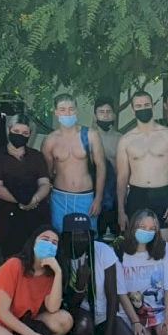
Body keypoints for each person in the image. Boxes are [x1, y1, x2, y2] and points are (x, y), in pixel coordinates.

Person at [59, 213, 144, 335]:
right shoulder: (61, 258)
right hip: (81, 313)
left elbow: (112, 297)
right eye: (75, 235)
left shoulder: (102, 251)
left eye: (85, 235)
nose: (81, 240)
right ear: (66, 237)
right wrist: (80, 286)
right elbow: (70, 306)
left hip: (105, 313)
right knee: (83, 328)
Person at [117, 91, 168, 244]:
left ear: (153, 106)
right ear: (133, 110)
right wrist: (121, 210)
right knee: (136, 248)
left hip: (162, 195)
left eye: (146, 105)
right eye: (139, 106)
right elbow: (122, 178)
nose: (143, 108)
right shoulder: (126, 140)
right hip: (136, 196)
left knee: (166, 248)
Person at [116, 209, 168, 335]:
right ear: (133, 227)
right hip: (133, 312)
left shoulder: (163, 248)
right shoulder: (120, 251)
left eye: (152, 229)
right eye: (142, 227)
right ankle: (150, 334)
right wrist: (135, 322)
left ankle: (156, 332)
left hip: (161, 310)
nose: (147, 232)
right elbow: (121, 292)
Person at [43, 93, 106, 233]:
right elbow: (46, 174)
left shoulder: (91, 135)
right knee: (60, 237)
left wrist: (98, 198)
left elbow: (101, 167)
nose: (67, 113)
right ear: (56, 112)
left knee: (87, 238)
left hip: (86, 197)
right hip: (59, 197)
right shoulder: (50, 140)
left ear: (76, 110)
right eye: (63, 109)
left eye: (71, 109)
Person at [0, 119, 52, 258]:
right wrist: (21, 202)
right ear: (8, 130)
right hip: (9, 216)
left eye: (25, 133)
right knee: (12, 258)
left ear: (30, 135)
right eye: (16, 131)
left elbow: (45, 183)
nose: (20, 135)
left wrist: (34, 200)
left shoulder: (36, 156)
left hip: (37, 214)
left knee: (37, 257)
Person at [93, 96, 122, 238]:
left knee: (116, 236)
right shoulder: (88, 137)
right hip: (93, 193)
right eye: (101, 112)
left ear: (114, 115)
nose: (105, 115)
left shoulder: (121, 139)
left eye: (108, 111)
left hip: (116, 193)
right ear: (95, 115)